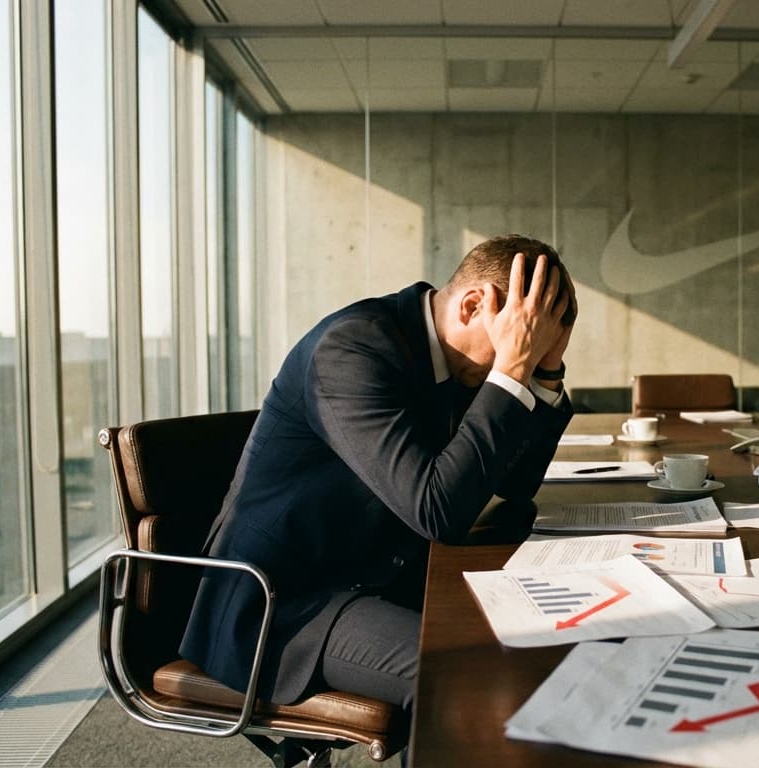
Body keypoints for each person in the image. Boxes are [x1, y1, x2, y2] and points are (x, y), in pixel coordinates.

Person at [181, 235, 577, 712]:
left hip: (380, 573)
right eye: (521, 345)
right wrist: (511, 371)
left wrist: (545, 373)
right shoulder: (351, 350)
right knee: (468, 669)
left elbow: (515, 486)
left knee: (546, 631)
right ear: (473, 306)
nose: (518, 362)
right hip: (285, 603)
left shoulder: (464, 360)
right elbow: (437, 511)